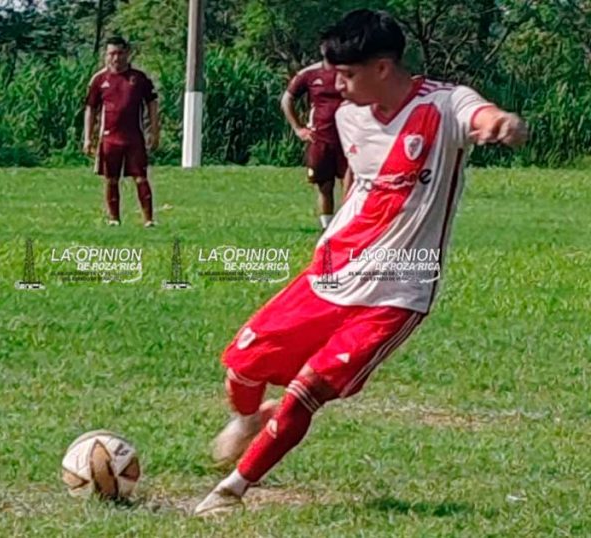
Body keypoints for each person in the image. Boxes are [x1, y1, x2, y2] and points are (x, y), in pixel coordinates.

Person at [194, 9, 527, 517]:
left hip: (398, 289)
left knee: (308, 388)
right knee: (242, 362)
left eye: (347, 75)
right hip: (332, 271)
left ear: (383, 67)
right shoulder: (349, 116)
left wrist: (501, 124)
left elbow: (482, 114)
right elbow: (360, 179)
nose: (337, 86)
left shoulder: (443, 104)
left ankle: (229, 493)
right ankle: (246, 422)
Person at [83, 37, 161, 227]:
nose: (116, 58)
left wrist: (154, 131)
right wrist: (87, 138)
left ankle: (149, 220)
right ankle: (114, 219)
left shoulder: (139, 78)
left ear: (127, 53)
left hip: (134, 137)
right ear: (106, 55)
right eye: (112, 53)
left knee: (140, 177)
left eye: (119, 53)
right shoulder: (99, 79)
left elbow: (152, 103)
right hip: (110, 139)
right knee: (111, 179)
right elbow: (91, 109)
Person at [281, 46, 346, 229]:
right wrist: (298, 128)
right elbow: (287, 99)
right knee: (324, 186)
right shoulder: (309, 74)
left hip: (347, 140)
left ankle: (348, 227)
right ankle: (328, 227)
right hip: (320, 140)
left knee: (350, 185)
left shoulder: (351, 72)